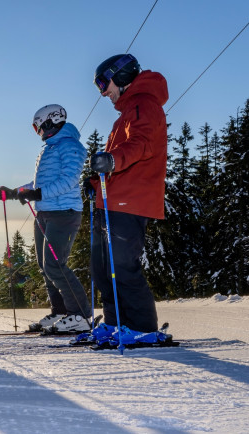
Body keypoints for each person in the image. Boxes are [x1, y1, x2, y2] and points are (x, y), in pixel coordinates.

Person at [87, 53, 168, 344]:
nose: (103, 91)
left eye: (104, 83)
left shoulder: (144, 105)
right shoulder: (126, 113)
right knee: (102, 266)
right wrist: (96, 182)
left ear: (121, 76)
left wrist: (111, 160)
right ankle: (116, 322)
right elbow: (118, 156)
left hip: (130, 200)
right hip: (111, 199)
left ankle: (143, 327)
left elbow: (141, 145)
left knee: (122, 264)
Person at [0, 104, 91, 333]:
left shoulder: (70, 146)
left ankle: (80, 315)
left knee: (55, 264)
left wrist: (37, 194)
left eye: (37, 126)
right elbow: (37, 185)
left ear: (50, 121)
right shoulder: (49, 149)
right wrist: (14, 193)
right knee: (45, 265)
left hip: (64, 212)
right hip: (45, 213)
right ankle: (60, 312)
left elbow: (69, 180)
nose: (37, 131)